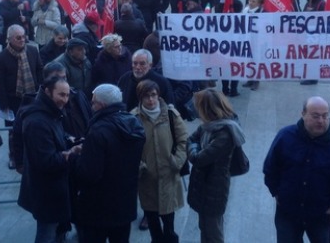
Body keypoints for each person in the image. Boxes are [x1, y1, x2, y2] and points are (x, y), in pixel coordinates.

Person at [263, 96, 330, 243]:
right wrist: (276, 193)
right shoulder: (285, 137)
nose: (321, 120)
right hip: (288, 213)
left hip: (322, 216)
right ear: (303, 114)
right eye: (315, 116)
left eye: (325, 115)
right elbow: (271, 168)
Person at [70, 84, 146, 243]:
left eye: (93, 102)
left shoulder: (98, 131)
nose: (91, 106)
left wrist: (75, 158)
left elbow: (89, 173)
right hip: (125, 204)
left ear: (102, 105)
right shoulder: (134, 124)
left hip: (98, 209)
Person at [17, 77, 74, 243]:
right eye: (61, 95)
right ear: (48, 92)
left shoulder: (49, 113)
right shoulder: (37, 121)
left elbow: (55, 137)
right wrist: (72, 153)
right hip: (47, 191)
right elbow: (46, 161)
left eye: (67, 95)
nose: (65, 100)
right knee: (46, 234)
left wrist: (69, 139)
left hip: (52, 189)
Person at [187, 88, 246, 243]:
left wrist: (194, 151)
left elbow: (198, 158)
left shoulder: (224, 133)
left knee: (213, 233)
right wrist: (195, 147)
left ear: (207, 109)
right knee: (205, 228)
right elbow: (191, 139)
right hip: (205, 186)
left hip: (214, 190)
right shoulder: (209, 125)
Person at [131, 80, 187, 243]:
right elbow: (129, 149)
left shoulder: (171, 114)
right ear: (140, 98)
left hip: (168, 176)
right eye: (146, 96)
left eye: (153, 95)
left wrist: (177, 160)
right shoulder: (133, 118)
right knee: (154, 227)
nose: (150, 99)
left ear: (158, 95)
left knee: (169, 227)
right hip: (147, 180)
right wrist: (140, 166)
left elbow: (183, 140)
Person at [0, 23, 43, 129]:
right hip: (13, 101)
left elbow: (39, 70)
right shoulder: (1, 58)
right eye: (18, 37)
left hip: (33, 98)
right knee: (15, 131)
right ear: (9, 39)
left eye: (24, 36)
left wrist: (40, 89)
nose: (22, 40)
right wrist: (4, 105)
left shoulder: (33, 51)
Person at [301, 0, 326, 85]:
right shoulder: (309, 3)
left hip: (316, 35)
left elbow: (324, 19)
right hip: (308, 33)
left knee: (313, 56)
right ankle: (309, 74)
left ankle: (313, 77)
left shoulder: (321, 4)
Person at [241, 0, 265, 91]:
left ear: (259, 3)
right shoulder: (245, 10)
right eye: (250, 0)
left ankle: (256, 81)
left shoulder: (263, 13)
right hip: (247, 39)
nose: (250, 3)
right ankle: (250, 79)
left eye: (253, 1)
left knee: (257, 61)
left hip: (258, 41)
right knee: (249, 61)